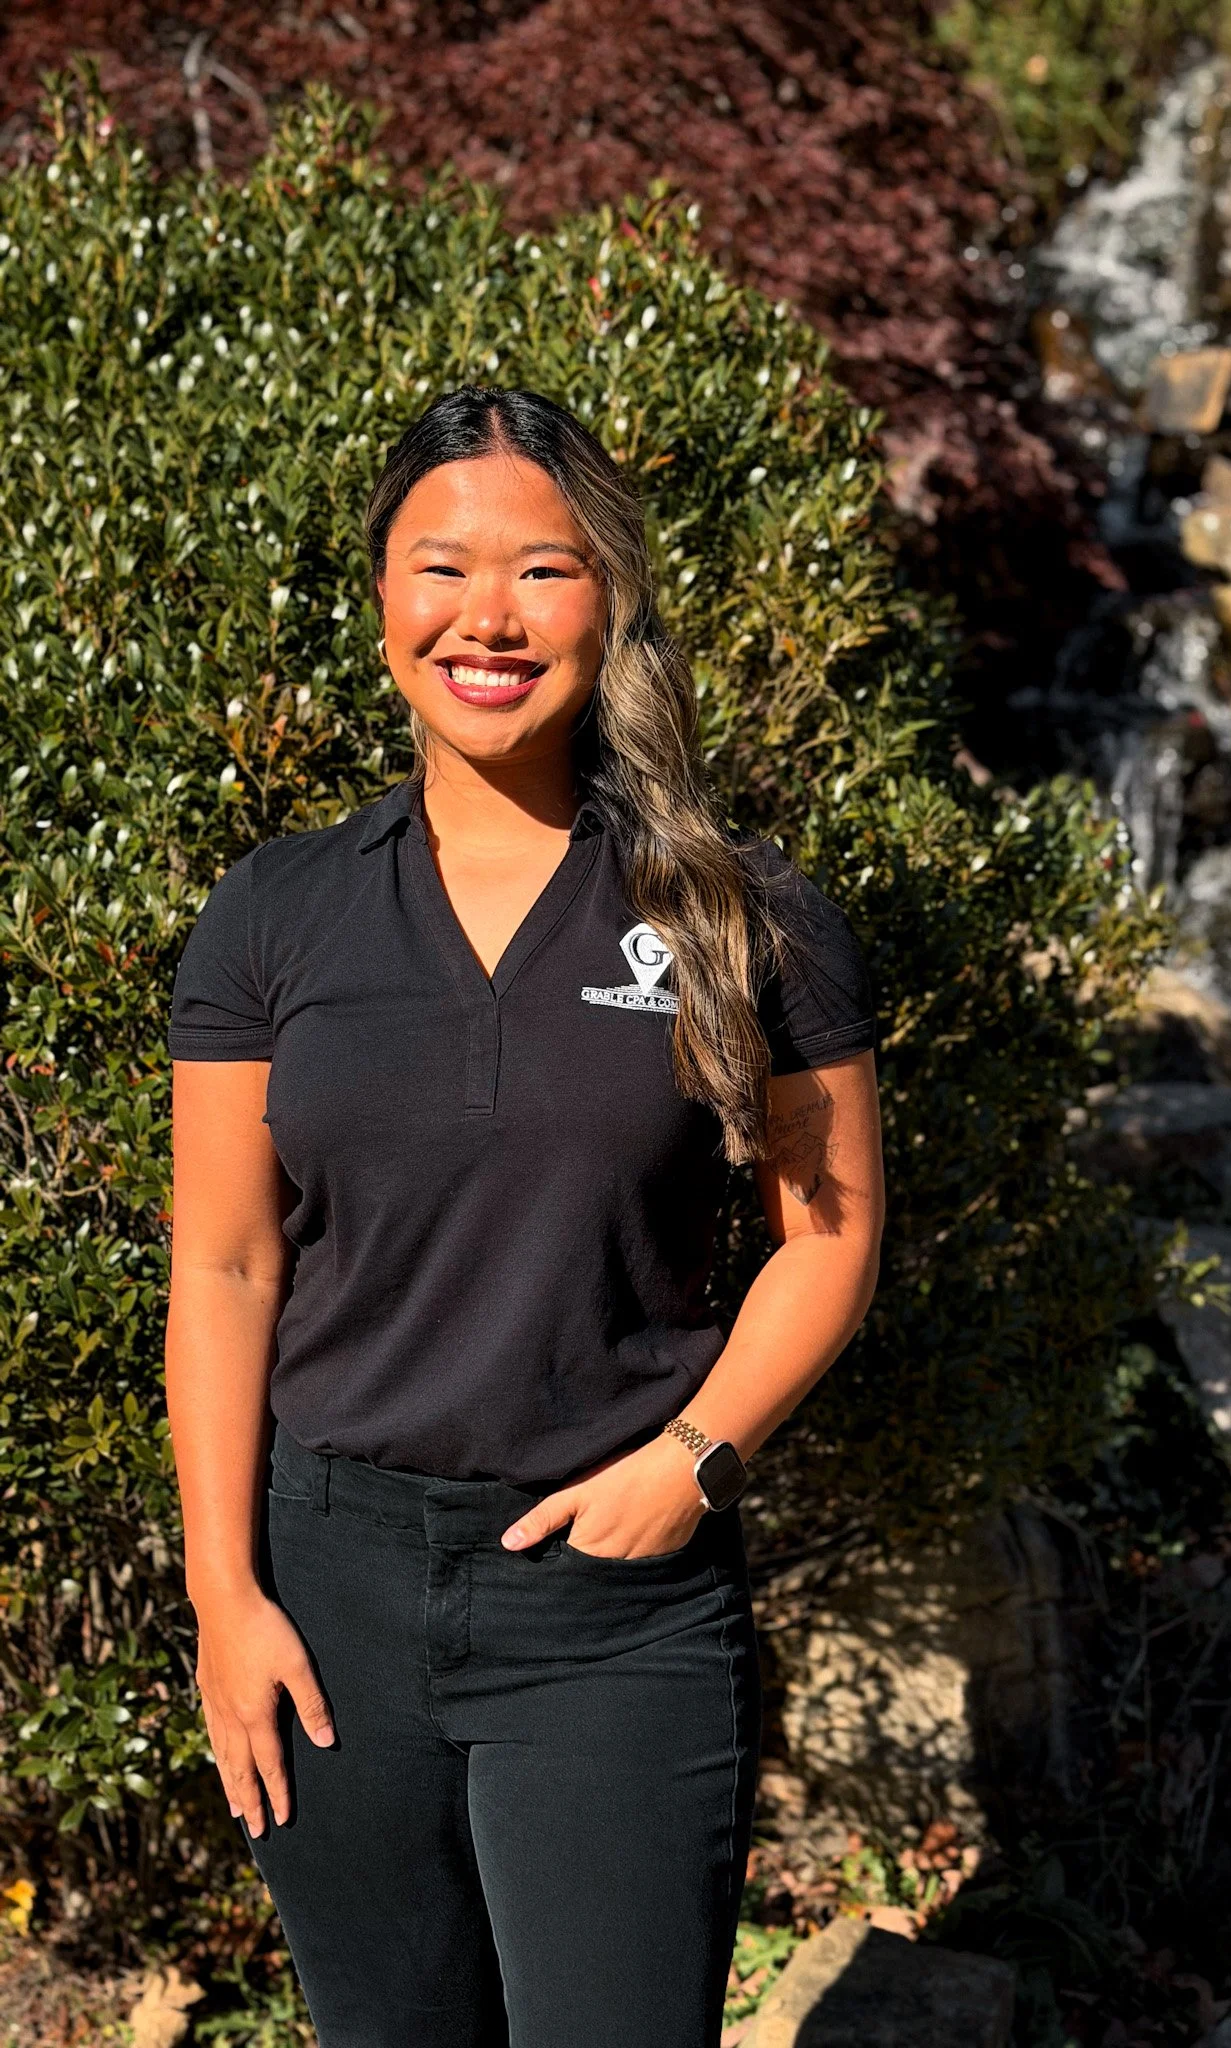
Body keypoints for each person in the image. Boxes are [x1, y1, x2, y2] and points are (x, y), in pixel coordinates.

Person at [163, 386, 884, 2048]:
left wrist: (690, 1462)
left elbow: (829, 1235)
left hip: (611, 1607)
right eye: (442, 568)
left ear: (609, 601)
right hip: (324, 1585)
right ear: (381, 604)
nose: (488, 618)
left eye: (543, 571)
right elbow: (223, 1260)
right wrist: (224, 1598)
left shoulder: (744, 916)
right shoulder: (278, 912)